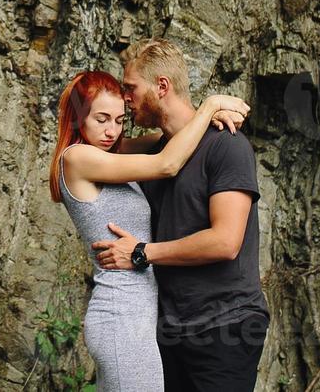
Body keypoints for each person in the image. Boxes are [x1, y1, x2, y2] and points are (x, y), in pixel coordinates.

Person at [51, 69, 252, 392]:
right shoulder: (78, 158)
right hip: (121, 314)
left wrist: (213, 120)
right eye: (101, 119)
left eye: (119, 120)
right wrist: (211, 105)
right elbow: (166, 163)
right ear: (78, 118)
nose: (111, 131)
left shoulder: (111, 153)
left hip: (143, 315)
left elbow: (175, 138)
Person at [91, 39, 270, 392]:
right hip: (169, 332)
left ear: (162, 86)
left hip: (225, 326)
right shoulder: (156, 156)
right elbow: (94, 146)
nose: (125, 99)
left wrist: (142, 252)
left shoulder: (226, 145)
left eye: (130, 88)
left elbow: (225, 242)